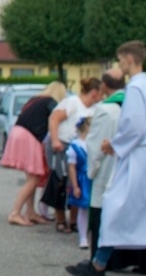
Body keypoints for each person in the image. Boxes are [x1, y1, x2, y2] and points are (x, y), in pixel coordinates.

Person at [67, 41, 146, 276]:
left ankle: (98, 265)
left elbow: (134, 125)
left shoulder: (136, 88)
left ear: (129, 59)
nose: (119, 65)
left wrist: (114, 144)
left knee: (115, 207)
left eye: (120, 60)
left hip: (137, 157)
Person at [1, 82, 66, 226]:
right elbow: (54, 121)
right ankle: (15, 213)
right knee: (34, 179)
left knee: (31, 177)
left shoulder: (35, 100)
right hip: (29, 137)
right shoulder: (52, 103)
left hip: (18, 132)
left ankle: (30, 212)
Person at [49, 78, 100, 234]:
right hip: (64, 144)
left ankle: (74, 219)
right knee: (60, 182)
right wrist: (55, 139)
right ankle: (60, 218)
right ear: (94, 93)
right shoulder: (72, 102)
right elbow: (54, 118)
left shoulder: (95, 108)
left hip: (81, 148)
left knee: (76, 182)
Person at [84, 69, 125, 258]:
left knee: (101, 211)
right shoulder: (132, 105)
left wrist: (91, 171)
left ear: (104, 86)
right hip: (126, 167)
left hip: (106, 166)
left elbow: (95, 146)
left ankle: (99, 259)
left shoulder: (104, 110)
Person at [67, 119, 92, 251]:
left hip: (93, 177)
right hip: (83, 179)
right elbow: (72, 167)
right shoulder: (75, 145)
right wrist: (75, 186)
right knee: (83, 208)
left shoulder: (93, 143)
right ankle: (83, 237)